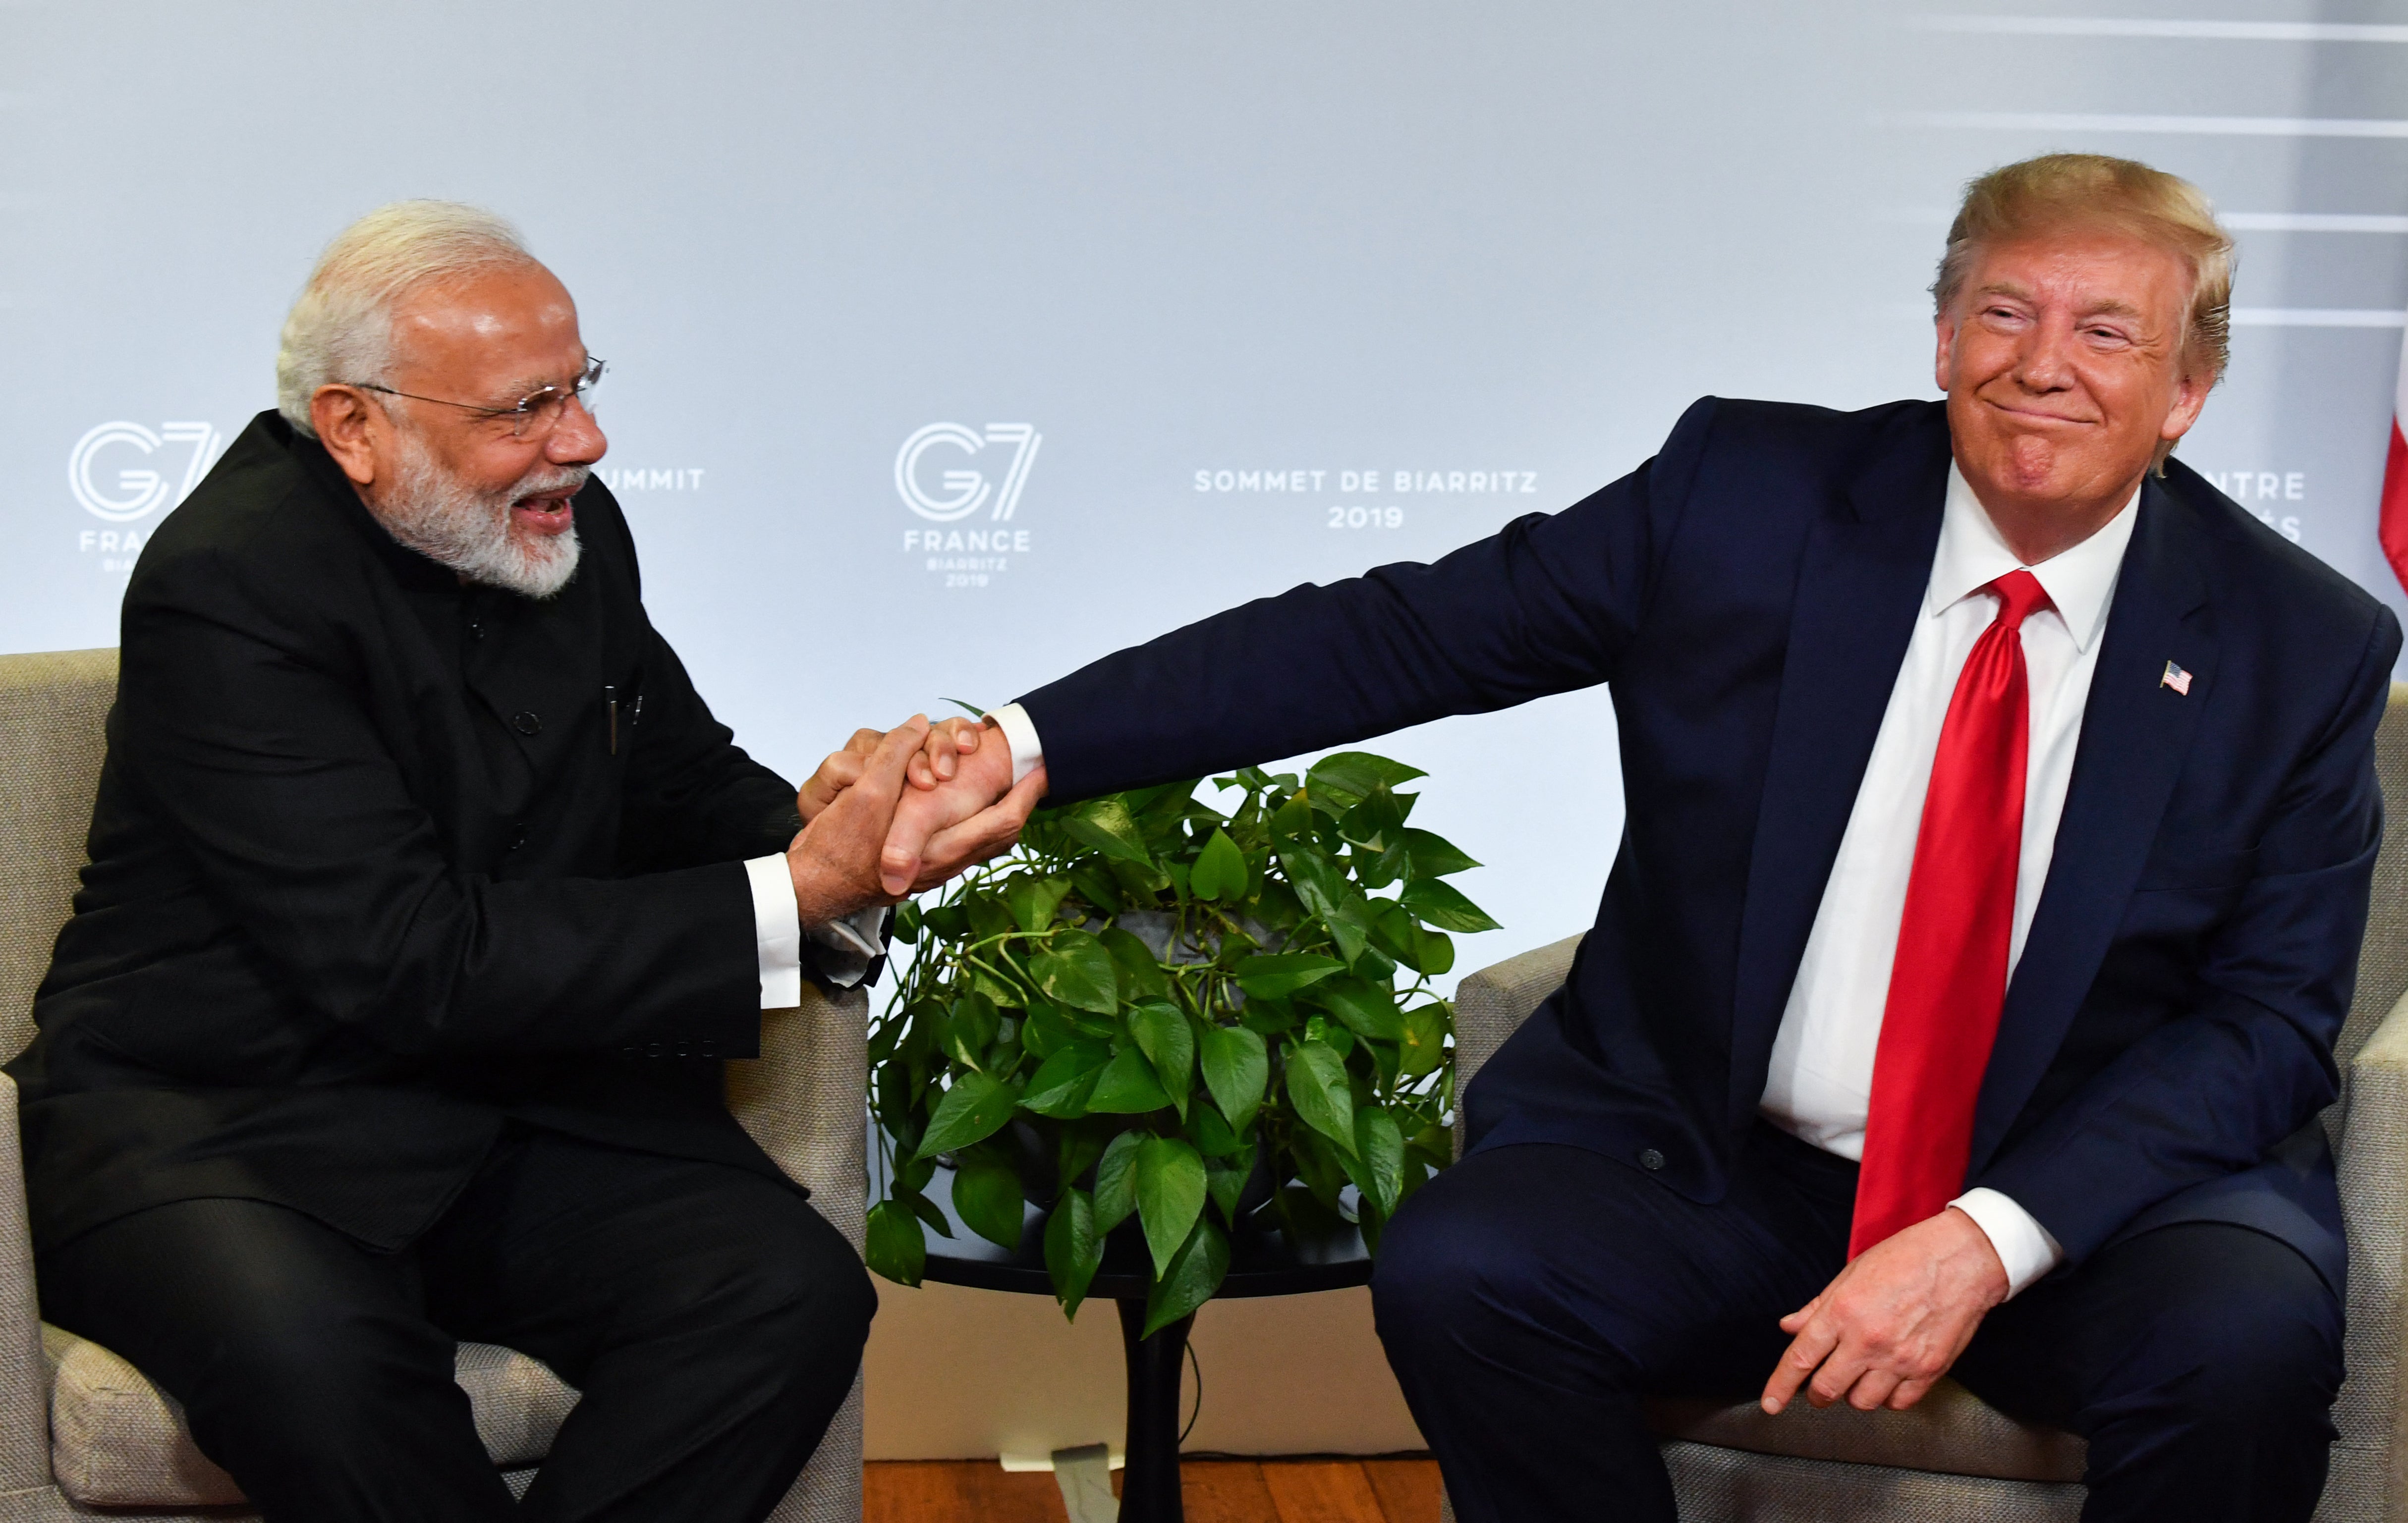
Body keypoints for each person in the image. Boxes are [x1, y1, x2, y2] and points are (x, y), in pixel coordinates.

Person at [878, 154, 2397, 1522]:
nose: (2040, 367)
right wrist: (1027, 742)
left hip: (2084, 1200)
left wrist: (1986, 1238)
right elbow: (1394, 636)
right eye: (2004, 315)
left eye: (2106, 333)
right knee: (1467, 1267)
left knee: (2240, 1343)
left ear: (2186, 391)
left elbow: (2264, 1026)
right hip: (1735, 1167)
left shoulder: (2297, 645)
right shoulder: (1746, 497)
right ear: (1941, 341)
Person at [11, 202, 1038, 1523]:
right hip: (222, 1120)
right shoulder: (226, 585)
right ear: (354, 427)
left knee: (785, 1288)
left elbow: (667, 776)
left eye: (581, 386)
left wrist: (842, 836)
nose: (585, 439)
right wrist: (795, 894)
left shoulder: (567, 524)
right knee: (318, 1371)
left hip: (501, 1109)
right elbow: (408, 958)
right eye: (525, 408)